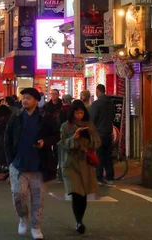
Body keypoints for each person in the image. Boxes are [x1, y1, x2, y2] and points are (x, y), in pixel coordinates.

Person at [4, 87, 59, 240]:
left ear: (36, 100)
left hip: (38, 165)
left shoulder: (45, 117)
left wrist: (45, 142)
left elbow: (56, 135)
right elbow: (7, 139)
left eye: (28, 98)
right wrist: (10, 162)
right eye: (24, 98)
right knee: (18, 195)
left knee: (37, 199)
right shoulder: (16, 116)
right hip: (18, 164)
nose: (25, 100)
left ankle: (36, 227)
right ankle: (23, 217)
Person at [58, 100, 101, 234]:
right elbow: (62, 143)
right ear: (72, 113)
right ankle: (78, 221)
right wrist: (74, 138)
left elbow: (97, 142)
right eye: (77, 113)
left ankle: (80, 219)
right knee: (76, 193)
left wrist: (89, 137)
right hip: (71, 164)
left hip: (86, 164)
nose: (79, 116)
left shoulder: (89, 125)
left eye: (81, 113)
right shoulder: (66, 126)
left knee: (83, 195)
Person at [89, 84, 116, 187]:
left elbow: (92, 120)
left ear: (97, 91)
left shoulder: (96, 104)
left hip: (98, 134)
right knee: (108, 156)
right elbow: (113, 117)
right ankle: (110, 178)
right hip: (108, 133)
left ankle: (99, 178)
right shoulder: (111, 103)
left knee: (99, 156)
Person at [0, 104, 13, 182]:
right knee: (9, 158)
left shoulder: (2, 119)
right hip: (11, 140)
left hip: (2, 140)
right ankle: (9, 176)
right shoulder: (11, 118)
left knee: (1, 158)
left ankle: (2, 175)